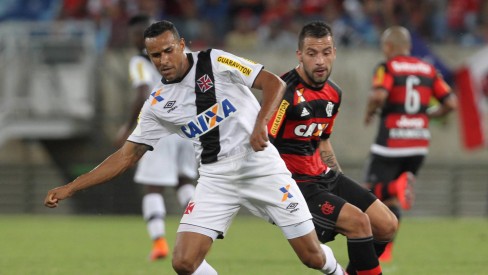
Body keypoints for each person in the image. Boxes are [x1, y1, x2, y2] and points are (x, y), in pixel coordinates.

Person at [44, 20, 347, 275]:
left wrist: (259, 125)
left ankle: (337, 271)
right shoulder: (157, 104)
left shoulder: (215, 60)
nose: (163, 59)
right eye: (155, 55)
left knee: (312, 257)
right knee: (184, 262)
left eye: (168, 50)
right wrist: (71, 187)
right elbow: (125, 155)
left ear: (182, 45)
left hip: (261, 166)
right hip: (216, 178)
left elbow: (273, 83)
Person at [267, 21, 398, 275]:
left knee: (387, 225)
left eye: (326, 53)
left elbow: (323, 139)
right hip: (297, 185)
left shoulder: (333, 93)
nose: (320, 61)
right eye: (312, 53)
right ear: (299, 55)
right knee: (359, 223)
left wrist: (336, 176)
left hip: (324, 176)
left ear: (334, 53)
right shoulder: (284, 92)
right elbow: (265, 143)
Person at [363, 26, 457, 262]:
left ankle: (396, 186)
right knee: (390, 203)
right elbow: (451, 103)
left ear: (388, 47)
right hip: (418, 143)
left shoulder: (387, 67)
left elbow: (378, 96)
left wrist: (370, 112)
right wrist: (428, 115)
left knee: (371, 192)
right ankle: (386, 252)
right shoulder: (428, 69)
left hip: (391, 142)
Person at [115, 14, 198, 261]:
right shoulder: (180, 51)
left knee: (153, 186)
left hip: (160, 128)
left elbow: (142, 92)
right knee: (184, 180)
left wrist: (129, 128)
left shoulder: (141, 60)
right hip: (187, 127)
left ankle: (159, 242)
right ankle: (203, 227)